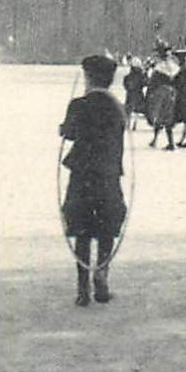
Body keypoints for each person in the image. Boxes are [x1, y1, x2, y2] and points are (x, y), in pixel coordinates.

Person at [59, 54, 128, 307]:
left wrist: (63, 128)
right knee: (107, 227)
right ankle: (102, 276)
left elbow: (70, 132)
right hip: (109, 174)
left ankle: (82, 288)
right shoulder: (117, 106)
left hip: (82, 176)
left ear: (88, 77)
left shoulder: (78, 104)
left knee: (82, 231)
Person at [144, 46, 179, 149]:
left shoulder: (159, 68)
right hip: (172, 93)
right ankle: (168, 141)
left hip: (160, 93)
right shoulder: (174, 67)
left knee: (159, 115)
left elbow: (153, 82)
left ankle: (157, 140)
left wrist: (150, 93)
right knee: (168, 116)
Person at [121, 56, 147, 129]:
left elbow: (125, 85)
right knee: (137, 110)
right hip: (138, 94)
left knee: (128, 110)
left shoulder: (128, 77)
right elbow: (145, 83)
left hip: (130, 94)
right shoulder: (141, 75)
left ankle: (128, 123)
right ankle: (134, 124)